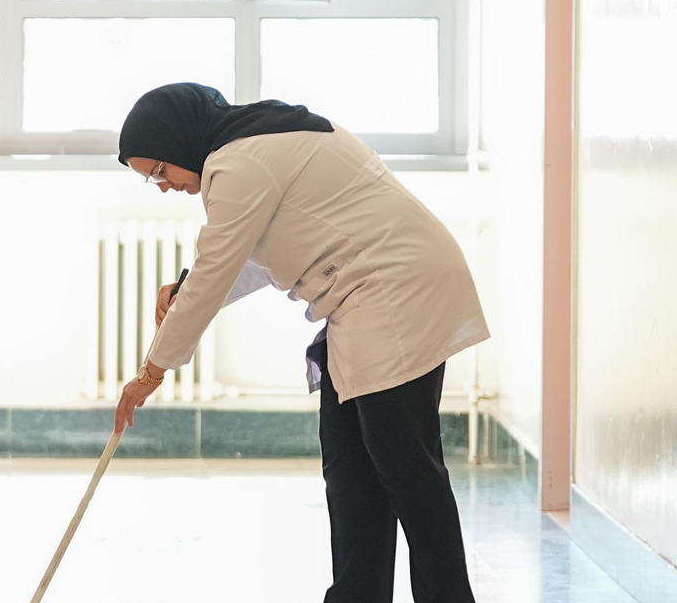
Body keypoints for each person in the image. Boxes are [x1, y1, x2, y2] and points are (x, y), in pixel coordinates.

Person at [113, 82, 489, 603]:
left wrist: (150, 372)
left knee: (407, 472)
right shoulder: (251, 144)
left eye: (159, 171)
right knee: (351, 472)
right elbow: (252, 255)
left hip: (395, 293)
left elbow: (221, 262)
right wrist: (185, 290)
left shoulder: (239, 162)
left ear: (177, 141)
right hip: (368, 302)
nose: (162, 185)